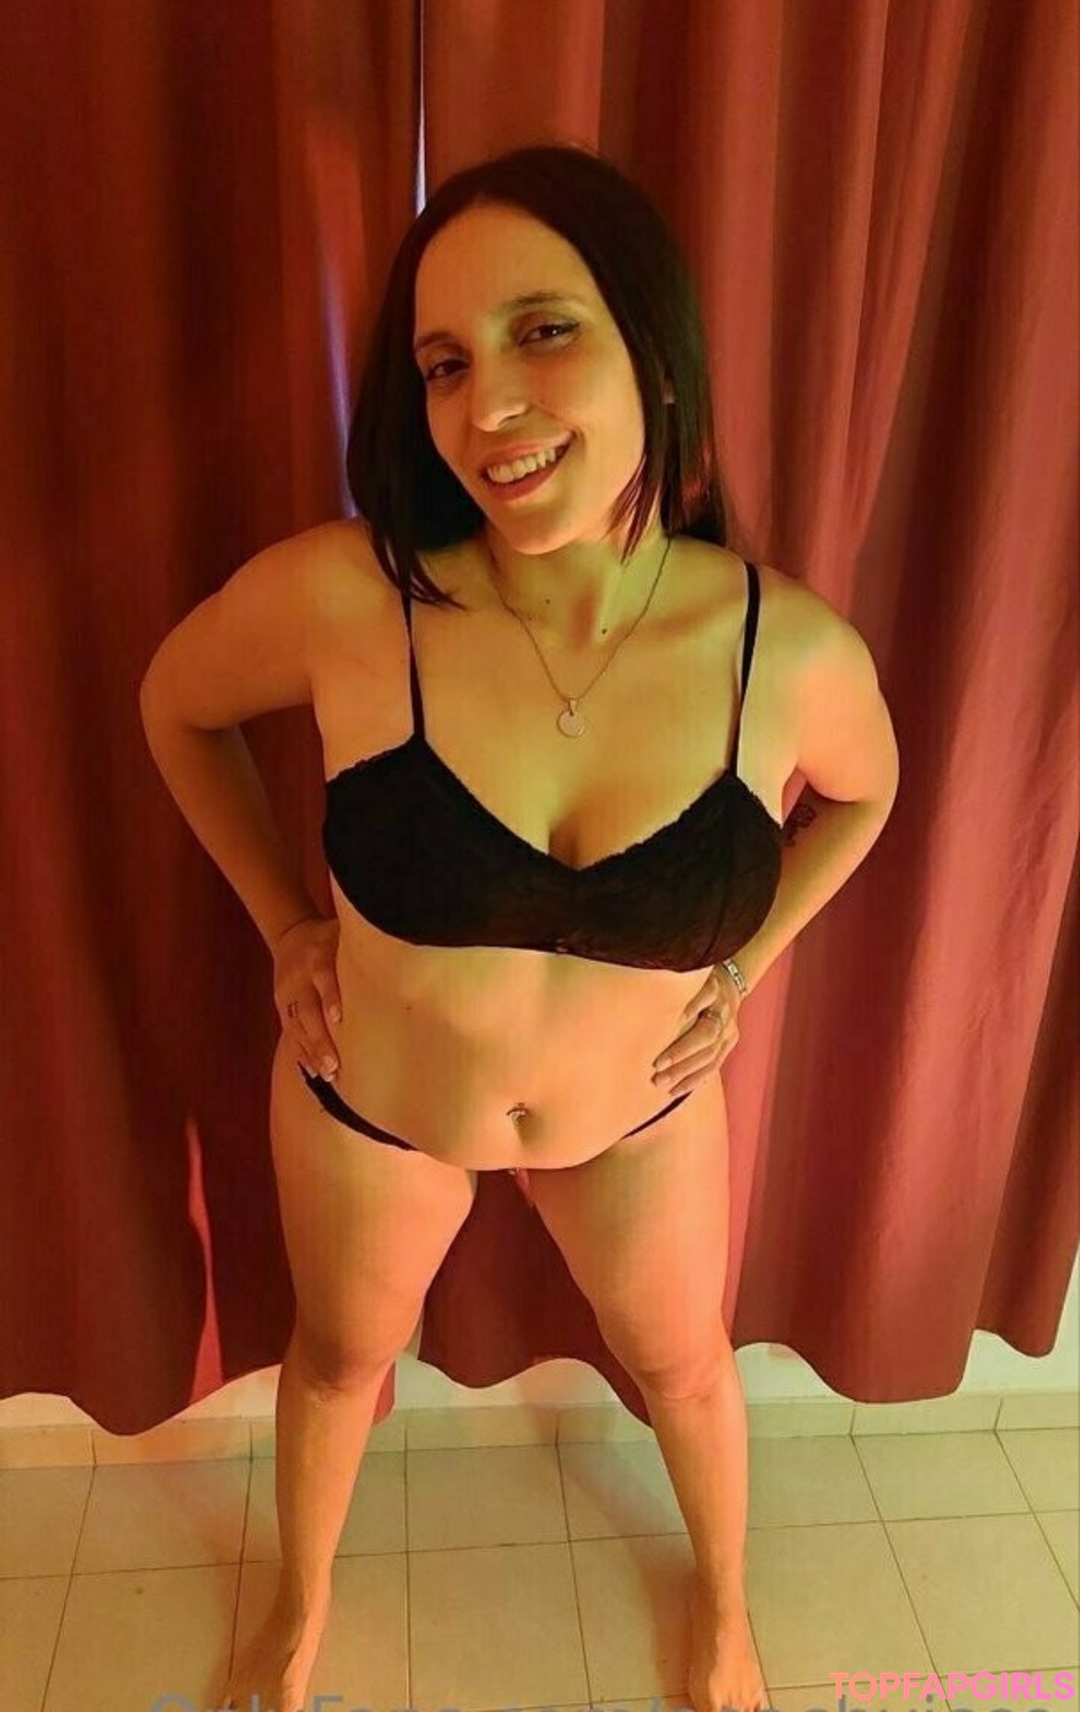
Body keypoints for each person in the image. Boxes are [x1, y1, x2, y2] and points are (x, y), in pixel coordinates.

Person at [141, 142, 797, 1712]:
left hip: (634, 1119)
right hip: (375, 1106)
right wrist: (284, 927)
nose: (487, 402)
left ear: (655, 351)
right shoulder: (348, 597)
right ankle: (298, 1605)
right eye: (444, 364)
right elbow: (176, 705)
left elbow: (874, 789)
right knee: (336, 1365)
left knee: (686, 1369)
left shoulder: (768, 638)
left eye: (543, 331)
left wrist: (745, 963)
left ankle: (725, 1609)